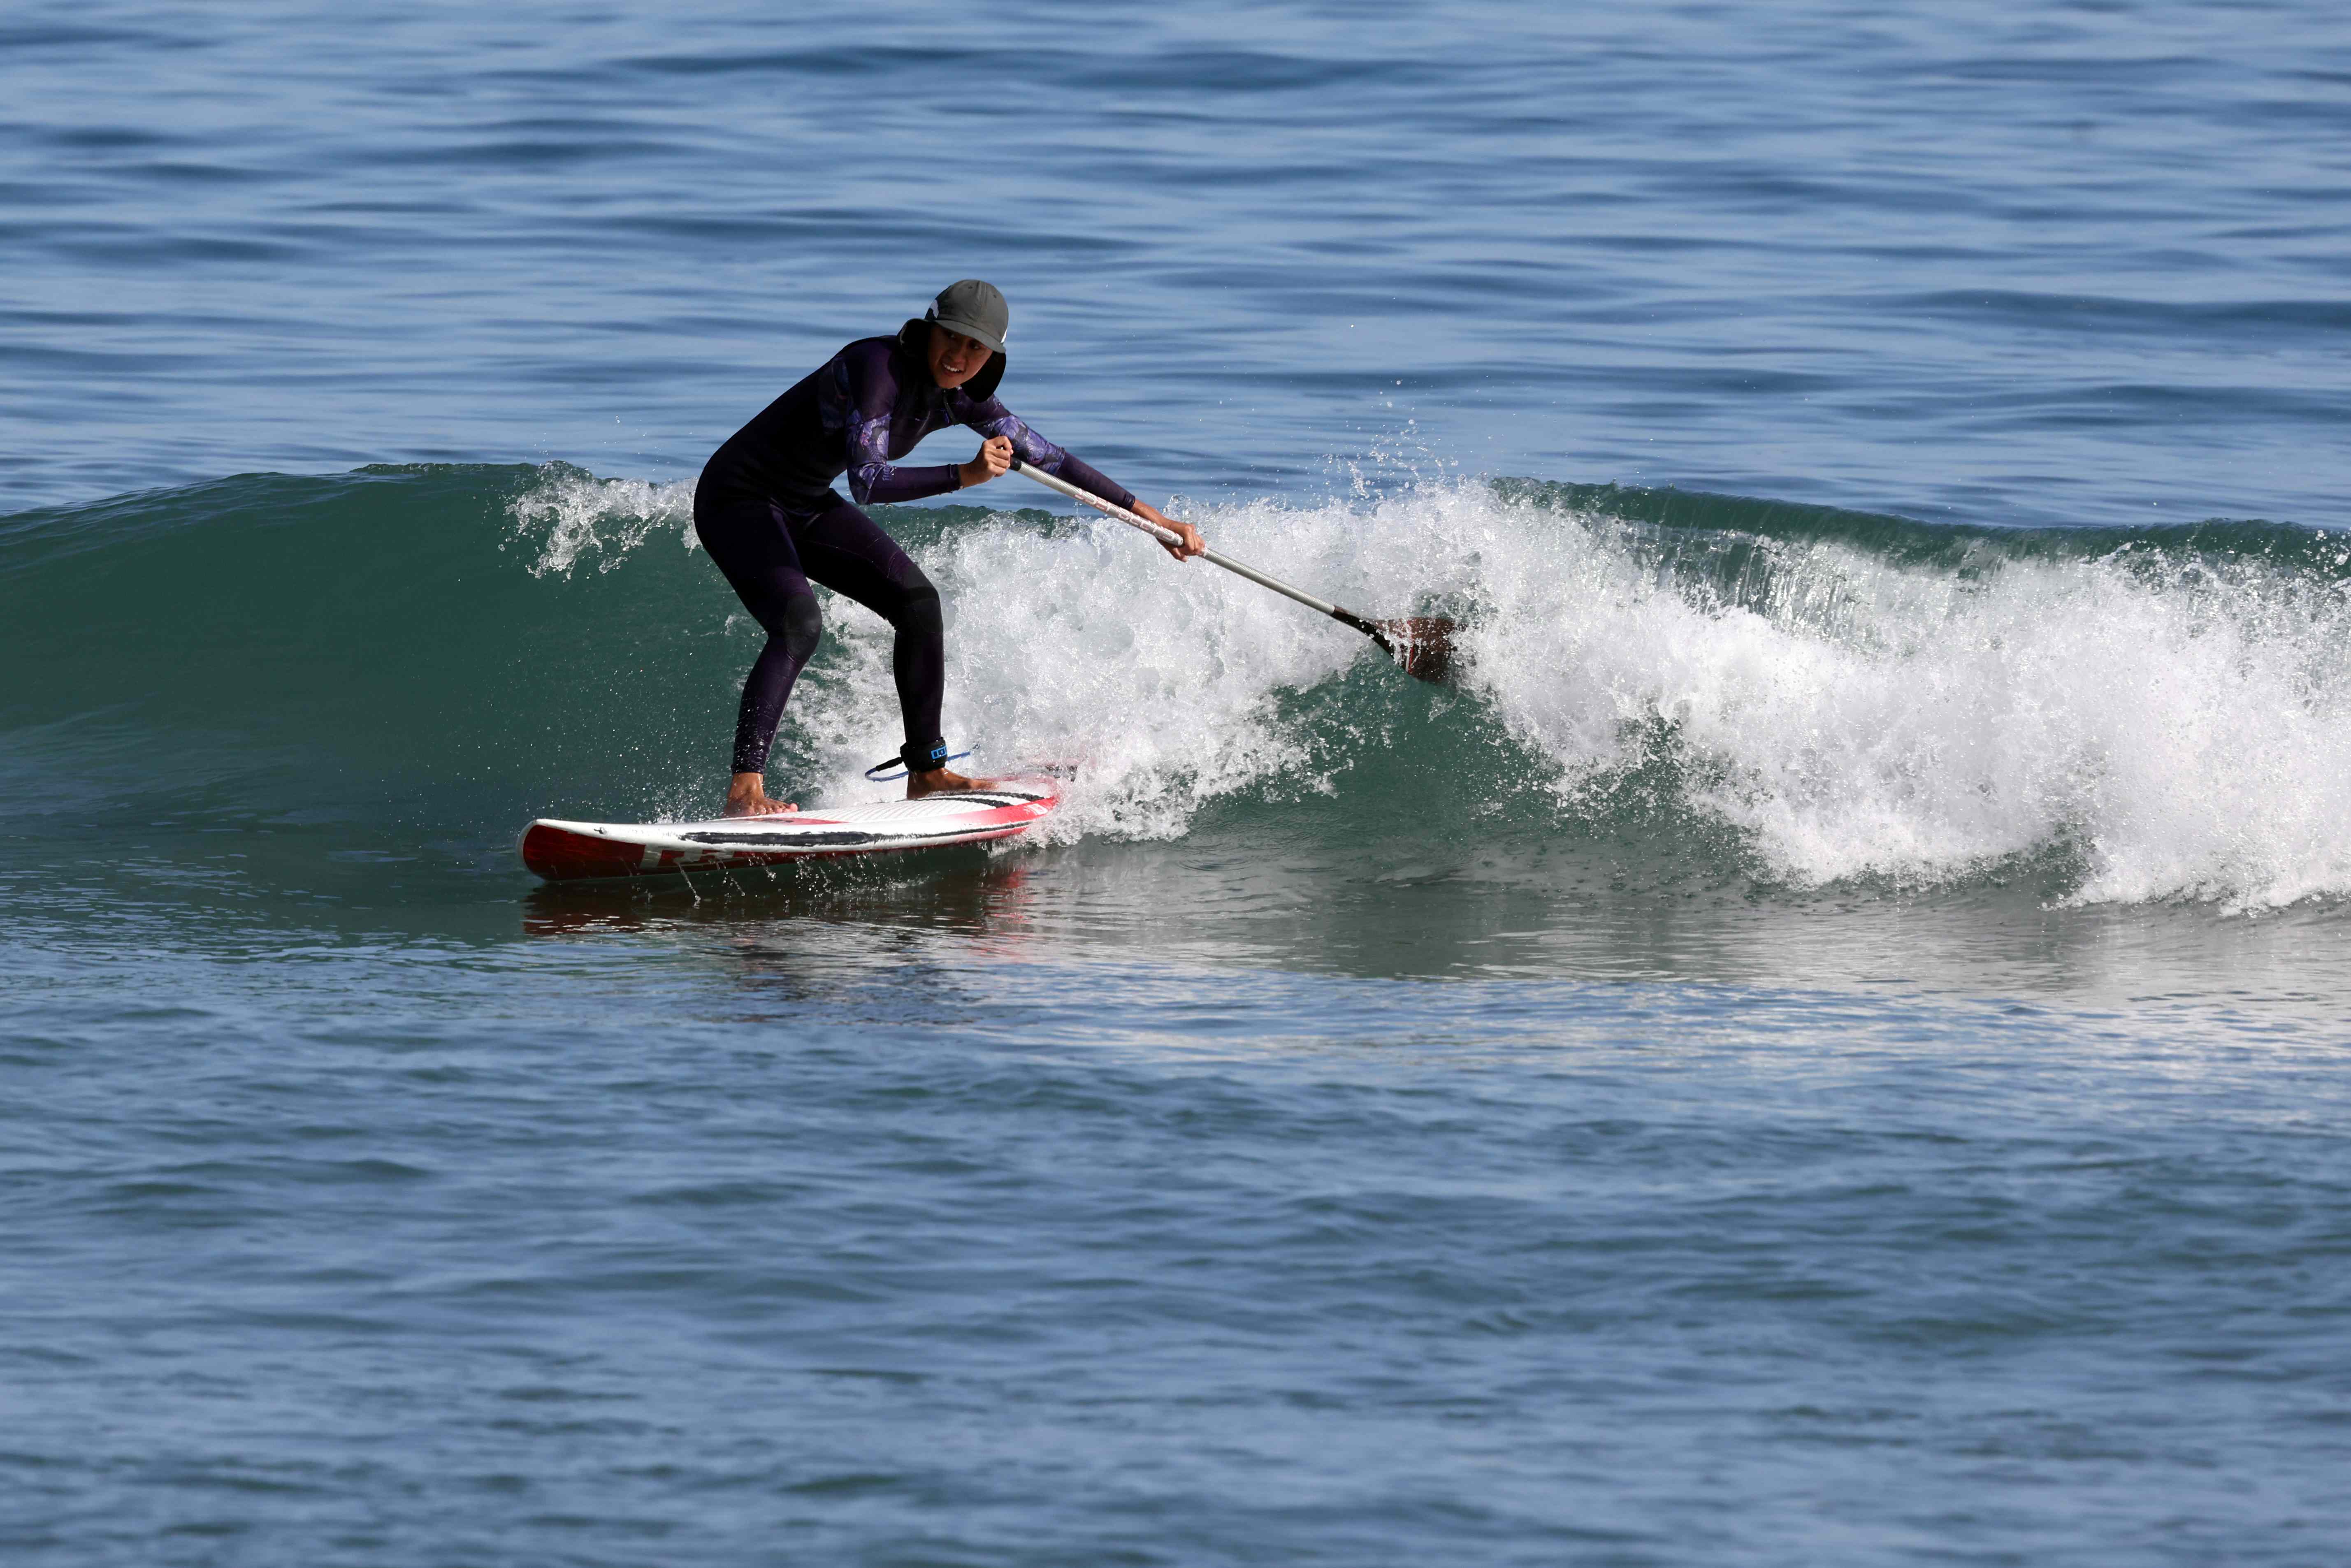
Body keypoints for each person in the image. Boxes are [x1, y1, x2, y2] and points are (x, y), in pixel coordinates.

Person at [694, 280, 1205, 816]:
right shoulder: (876, 368)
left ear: (992, 357)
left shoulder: (962, 397)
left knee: (918, 603)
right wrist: (965, 475)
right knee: (799, 624)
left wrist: (1152, 519)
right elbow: (868, 481)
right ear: (928, 330)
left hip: (802, 501)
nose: (959, 357)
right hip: (739, 498)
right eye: (952, 339)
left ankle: (928, 772)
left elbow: (1053, 460)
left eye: (975, 348)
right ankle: (745, 791)